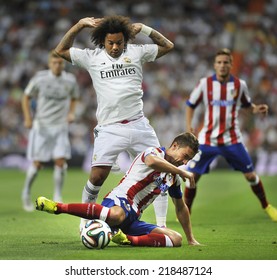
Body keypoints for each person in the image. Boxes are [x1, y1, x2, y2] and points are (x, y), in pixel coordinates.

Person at [54, 15, 174, 229]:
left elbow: (168, 45)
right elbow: (60, 51)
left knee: (159, 173)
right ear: (103, 41)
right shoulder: (92, 57)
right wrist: (79, 25)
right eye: (111, 42)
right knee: (97, 177)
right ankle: (86, 224)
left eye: (119, 42)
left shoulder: (137, 52)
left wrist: (145, 28)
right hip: (110, 128)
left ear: (125, 40)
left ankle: (162, 226)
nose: (116, 46)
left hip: (139, 125)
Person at [36, 132, 200, 247]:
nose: (185, 162)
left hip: (133, 218)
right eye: (185, 155)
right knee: (117, 215)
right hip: (119, 201)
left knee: (175, 239)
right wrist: (179, 171)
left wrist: (190, 238)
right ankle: (58, 207)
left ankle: (127, 239)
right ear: (175, 145)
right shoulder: (153, 152)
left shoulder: (173, 179)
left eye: (189, 160)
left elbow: (181, 208)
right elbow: (151, 162)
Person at [184, 48, 277, 221]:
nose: (222, 65)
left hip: (232, 139)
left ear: (231, 65)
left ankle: (267, 206)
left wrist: (256, 109)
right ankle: (186, 211)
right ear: (215, 65)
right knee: (192, 176)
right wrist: (190, 125)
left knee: (251, 175)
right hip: (207, 140)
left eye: (226, 62)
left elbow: (247, 105)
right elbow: (190, 104)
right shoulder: (205, 84)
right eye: (219, 62)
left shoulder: (239, 85)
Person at [21, 50, 79, 211]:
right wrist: (27, 117)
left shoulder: (70, 80)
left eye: (60, 63)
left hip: (60, 126)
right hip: (42, 126)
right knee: (38, 164)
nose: (58, 65)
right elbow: (26, 96)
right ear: (49, 64)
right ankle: (26, 192)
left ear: (64, 64)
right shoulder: (40, 79)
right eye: (54, 62)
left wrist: (71, 113)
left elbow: (74, 97)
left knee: (61, 161)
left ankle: (58, 196)